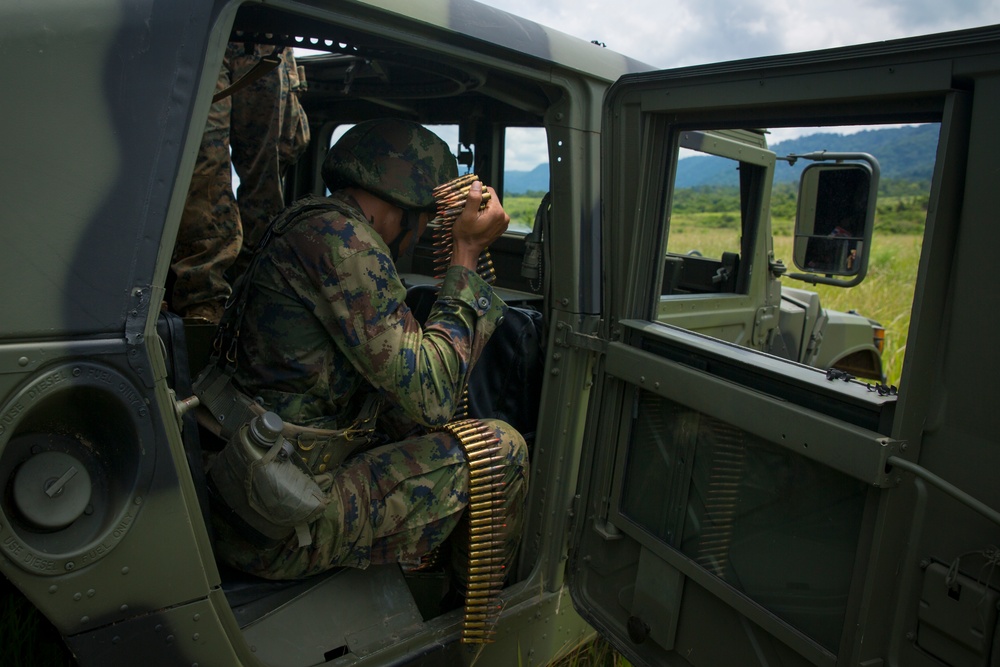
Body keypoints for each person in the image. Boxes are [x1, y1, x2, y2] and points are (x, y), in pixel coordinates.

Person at [208, 118, 528, 582]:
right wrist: (466, 254)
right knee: (503, 451)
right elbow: (436, 396)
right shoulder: (347, 244)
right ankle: (461, 632)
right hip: (280, 524)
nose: (418, 239)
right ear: (402, 210)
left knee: (409, 419)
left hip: (245, 484)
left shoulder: (308, 221)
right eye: (423, 226)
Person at [170, 42, 310, 324]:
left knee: (268, 169)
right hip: (209, 33)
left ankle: (258, 286)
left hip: (266, 40)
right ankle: (204, 297)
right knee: (207, 162)